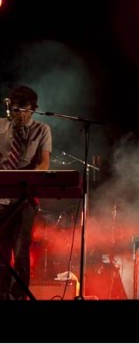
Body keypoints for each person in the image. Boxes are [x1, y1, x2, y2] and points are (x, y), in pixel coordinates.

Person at [0, 85, 52, 300]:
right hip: (1, 194)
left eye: (23, 109)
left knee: (22, 248)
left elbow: (44, 163)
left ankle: (18, 295)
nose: (17, 114)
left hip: (26, 197)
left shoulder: (42, 129)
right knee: (2, 249)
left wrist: (26, 179)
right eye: (14, 109)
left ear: (33, 109)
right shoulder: (1, 126)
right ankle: (2, 293)